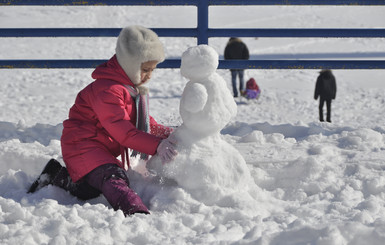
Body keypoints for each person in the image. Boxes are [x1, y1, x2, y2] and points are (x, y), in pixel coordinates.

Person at [27, 25, 178, 216]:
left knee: (90, 188)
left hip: (98, 146)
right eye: (145, 69)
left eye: (152, 71)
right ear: (130, 64)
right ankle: (135, 210)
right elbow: (123, 130)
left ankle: (57, 175)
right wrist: (157, 146)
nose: (149, 76)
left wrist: (173, 135)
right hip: (82, 145)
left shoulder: (130, 89)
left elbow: (145, 123)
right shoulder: (108, 90)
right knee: (111, 176)